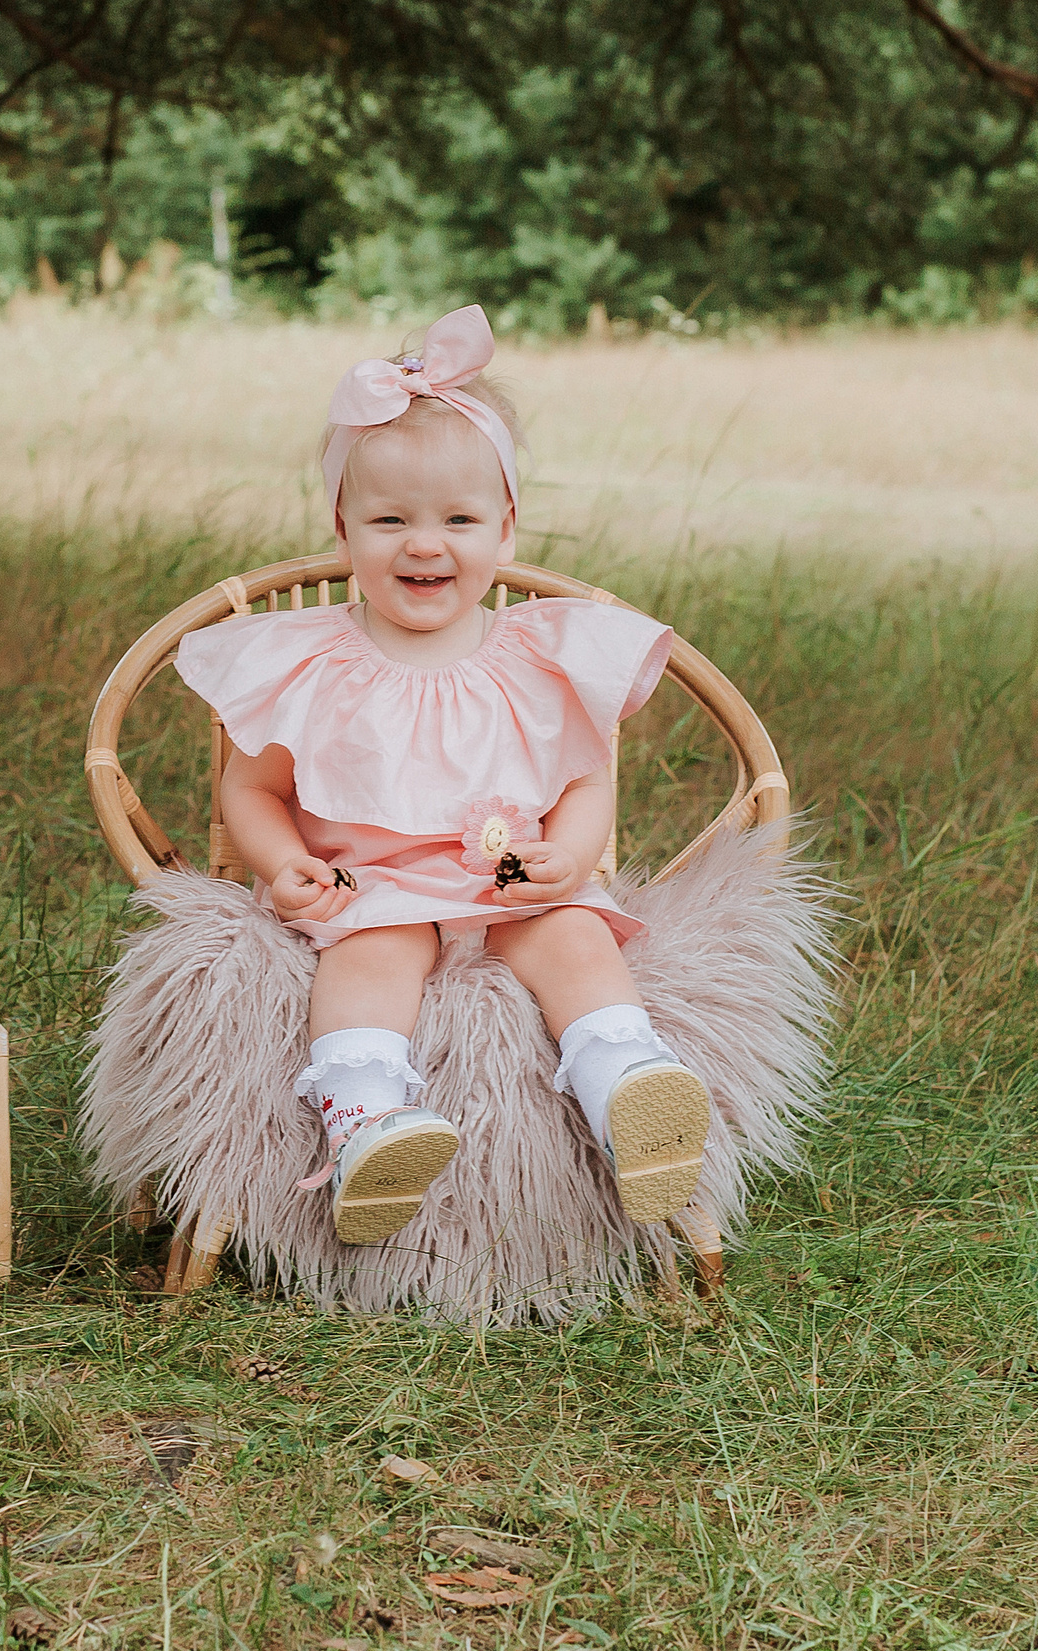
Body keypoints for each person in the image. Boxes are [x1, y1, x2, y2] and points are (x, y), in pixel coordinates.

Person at [174, 305, 709, 1246]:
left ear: (506, 528)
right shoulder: (313, 661)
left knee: (578, 941)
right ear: (344, 527)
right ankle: (367, 1123)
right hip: (373, 887)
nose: (425, 544)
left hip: (511, 886)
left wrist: (571, 857)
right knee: (369, 962)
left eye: (458, 519)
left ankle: (630, 1088)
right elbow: (251, 789)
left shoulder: (539, 654)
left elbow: (586, 779)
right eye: (390, 520)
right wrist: (284, 860)